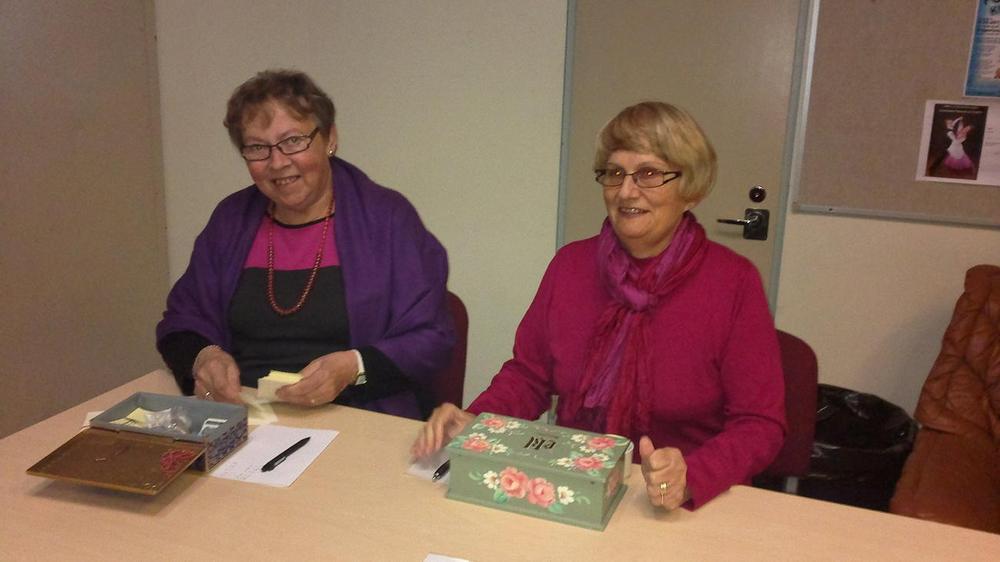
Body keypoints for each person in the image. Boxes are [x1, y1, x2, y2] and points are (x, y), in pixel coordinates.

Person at [412, 102, 785, 510]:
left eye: (649, 173)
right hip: (575, 487)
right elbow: (530, 377)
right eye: (615, 173)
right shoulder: (571, 266)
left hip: (685, 504)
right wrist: (477, 420)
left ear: (690, 189)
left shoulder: (733, 282)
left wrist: (692, 476)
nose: (626, 191)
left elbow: (760, 424)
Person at [157, 69, 454, 420]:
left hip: (356, 413)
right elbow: (182, 319)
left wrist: (352, 367)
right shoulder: (230, 220)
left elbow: (432, 335)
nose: (277, 162)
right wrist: (204, 357)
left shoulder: (387, 219)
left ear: (329, 138)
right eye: (257, 148)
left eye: (293, 141)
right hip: (244, 413)